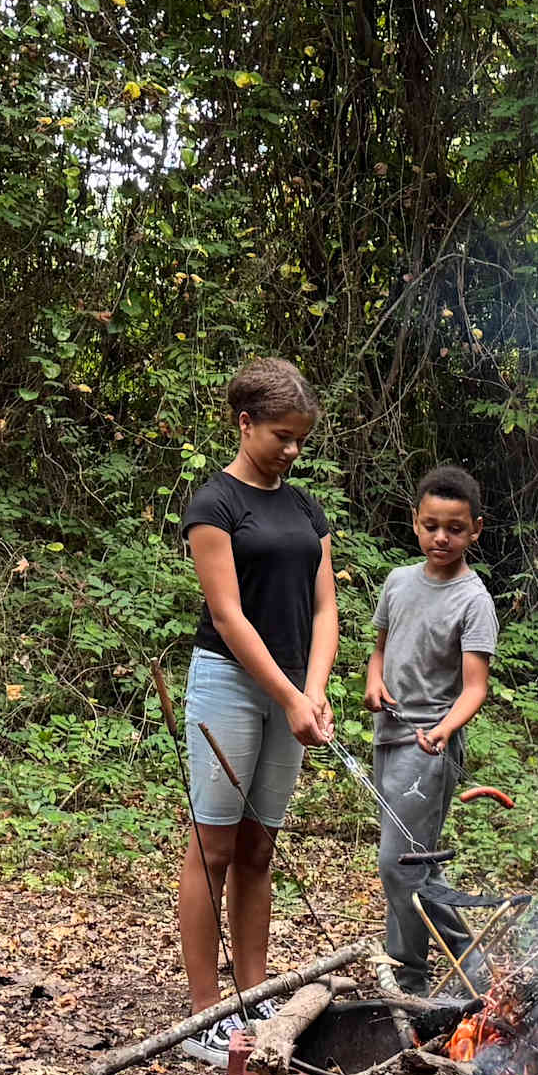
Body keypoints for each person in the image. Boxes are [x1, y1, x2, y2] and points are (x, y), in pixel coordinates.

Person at [177, 356, 338, 1018]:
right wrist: (290, 695)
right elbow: (228, 616)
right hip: (229, 683)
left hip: (293, 691)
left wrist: (314, 690)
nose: (293, 450)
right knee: (214, 845)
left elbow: (325, 608)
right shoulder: (214, 505)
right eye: (282, 436)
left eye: (301, 439)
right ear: (246, 424)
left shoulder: (304, 507)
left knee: (259, 847)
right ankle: (205, 1013)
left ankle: (255, 997)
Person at [362, 463, 496, 991]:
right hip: (387, 737)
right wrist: (374, 680)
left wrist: (444, 730)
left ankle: (422, 973)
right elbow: (379, 650)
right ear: (415, 522)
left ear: (475, 530)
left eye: (455, 528)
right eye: (432, 525)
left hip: (429, 747)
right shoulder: (398, 582)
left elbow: (475, 688)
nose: (442, 538)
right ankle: (463, 972)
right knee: (414, 863)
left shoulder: (473, 600)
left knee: (399, 864)